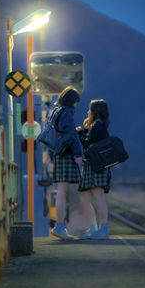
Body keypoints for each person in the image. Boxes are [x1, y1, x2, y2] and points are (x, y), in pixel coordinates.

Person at [50, 86, 83, 240]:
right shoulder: (67, 112)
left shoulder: (56, 111)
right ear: (72, 101)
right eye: (76, 102)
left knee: (61, 191)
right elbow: (70, 135)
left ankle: (60, 226)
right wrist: (78, 154)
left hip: (58, 153)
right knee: (62, 191)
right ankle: (60, 226)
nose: (76, 105)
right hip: (66, 154)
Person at [78, 99, 111, 239]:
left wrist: (80, 134)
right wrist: (85, 131)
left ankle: (103, 229)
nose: (88, 112)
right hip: (92, 165)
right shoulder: (99, 125)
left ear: (95, 111)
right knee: (85, 197)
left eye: (90, 109)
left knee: (98, 196)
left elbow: (88, 144)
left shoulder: (97, 126)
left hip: (96, 166)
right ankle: (93, 228)